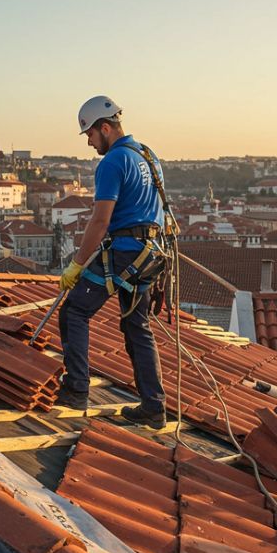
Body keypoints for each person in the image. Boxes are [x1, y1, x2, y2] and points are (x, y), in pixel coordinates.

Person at [55, 96, 168, 429]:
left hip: (126, 250)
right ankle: (153, 406)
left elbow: (100, 220)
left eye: (90, 134)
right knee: (137, 326)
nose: (90, 142)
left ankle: (76, 390)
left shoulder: (113, 162)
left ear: (105, 128)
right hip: (150, 253)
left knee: (75, 310)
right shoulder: (148, 155)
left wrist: (77, 264)